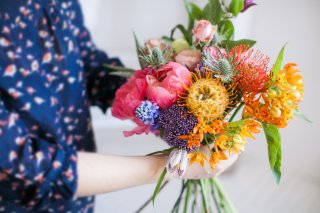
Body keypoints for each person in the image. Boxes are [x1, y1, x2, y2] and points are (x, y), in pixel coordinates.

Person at [0, 0, 237, 212]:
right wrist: (179, 167)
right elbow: (27, 170)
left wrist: (167, 104)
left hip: (78, 202)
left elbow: (87, 65)